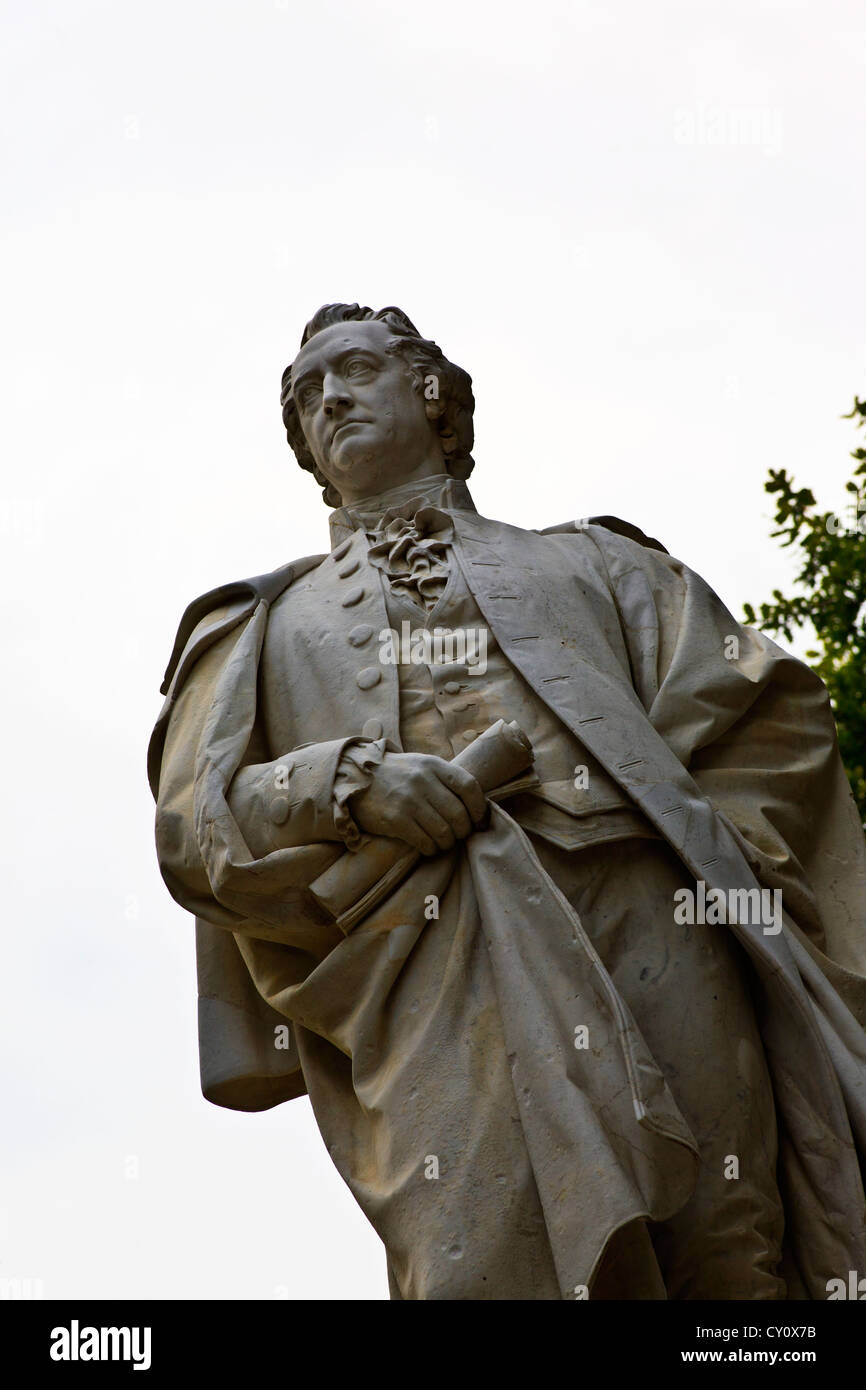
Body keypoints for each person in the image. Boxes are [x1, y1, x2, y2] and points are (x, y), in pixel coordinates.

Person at [149, 303, 866, 1299]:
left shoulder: (599, 563)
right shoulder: (255, 628)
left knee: (728, 1243)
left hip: (653, 904)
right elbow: (199, 826)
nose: (329, 399)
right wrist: (349, 783)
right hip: (434, 946)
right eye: (305, 396)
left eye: (354, 370)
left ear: (438, 403)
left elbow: (767, 721)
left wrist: (716, 854)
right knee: (479, 1257)